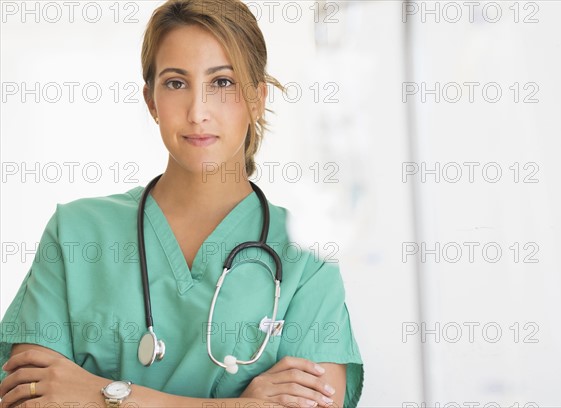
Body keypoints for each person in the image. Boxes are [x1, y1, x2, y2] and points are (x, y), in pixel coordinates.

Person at [0, 0, 363, 407]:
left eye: (222, 82)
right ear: (151, 100)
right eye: (175, 83)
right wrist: (240, 405)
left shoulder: (306, 257)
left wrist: (105, 395)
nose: (197, 111)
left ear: (257, 97)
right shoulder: (76, 233)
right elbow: (27, 399)